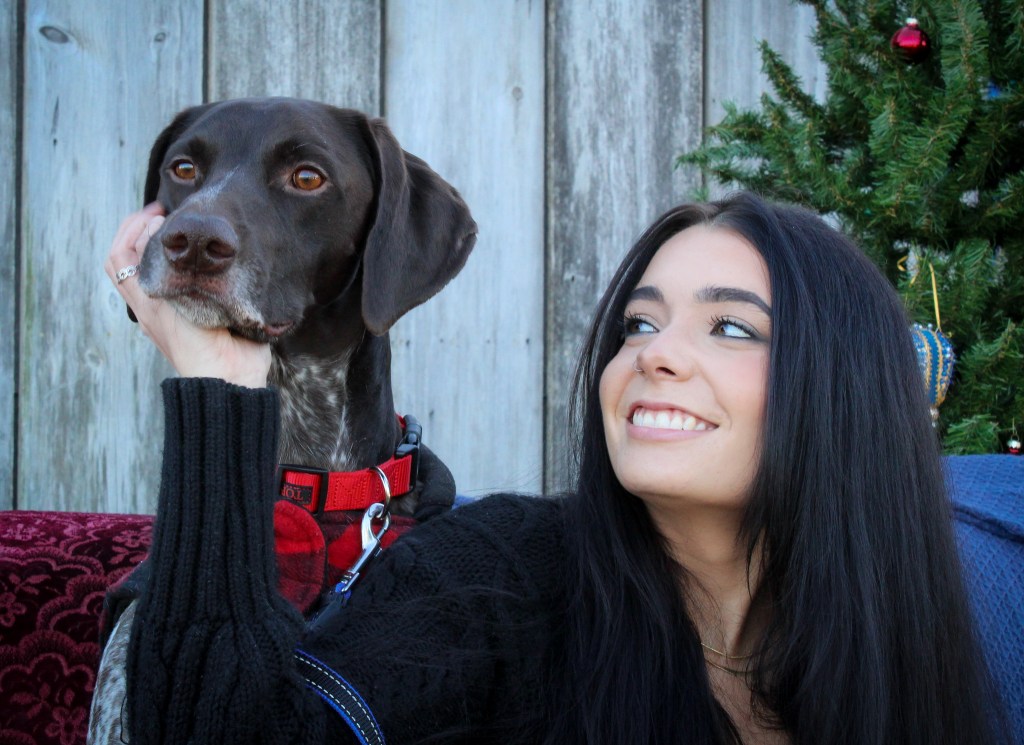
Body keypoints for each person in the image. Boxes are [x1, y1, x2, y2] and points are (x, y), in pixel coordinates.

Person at [103, 192, 1006, 744]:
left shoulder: (914, 633)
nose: (654, 355)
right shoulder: (497, 577)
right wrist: (220, 386)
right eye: (638, 324)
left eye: (729, 326)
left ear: (846, 386)